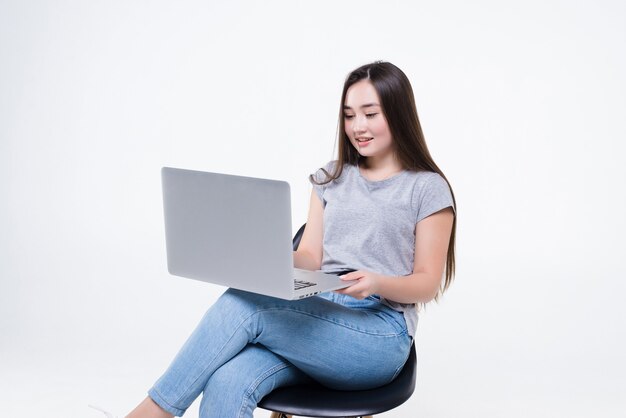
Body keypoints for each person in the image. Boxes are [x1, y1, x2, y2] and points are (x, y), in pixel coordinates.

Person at [123, 61, 456, 418]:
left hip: (376, 336)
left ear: (398, 113)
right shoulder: (331, 176)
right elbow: (311, 257)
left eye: (369, 113)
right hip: (312, 320)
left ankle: (153, 412)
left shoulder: (426, 188)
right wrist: (269, 256)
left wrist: (376, 282)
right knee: (227, 380)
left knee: (245, 303)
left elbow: (427, 283)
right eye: (348, 115)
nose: (357, 126)